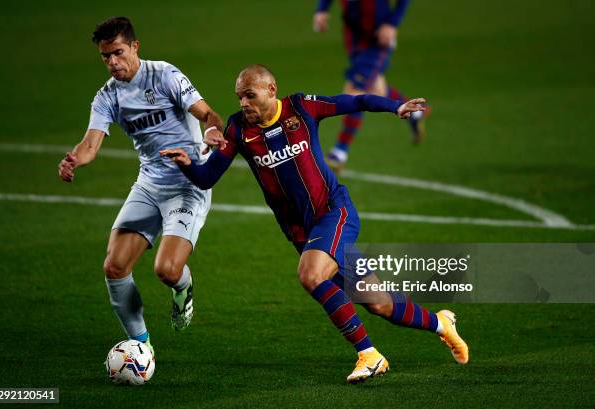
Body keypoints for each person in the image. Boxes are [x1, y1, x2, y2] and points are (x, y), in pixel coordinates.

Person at [159, 65, 468, 383]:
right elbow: (207, 177)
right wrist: (186, 164)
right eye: (239, 97)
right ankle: (442, 324)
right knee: (380, 304)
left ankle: (369, 355)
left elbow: (356, 101)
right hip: (301, 232)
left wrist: (395, 106)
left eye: (249, 96)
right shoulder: (238, 130)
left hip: (334, 213)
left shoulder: (300, 108)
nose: (243, 104)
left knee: (310, 275)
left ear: (271, 89)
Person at [57, 17, 225, 353]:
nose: (112, 63)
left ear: (135, 46)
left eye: (117, 53)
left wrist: (210, 132)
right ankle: (140, 346)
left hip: (187, 183)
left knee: (166, 269)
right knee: (115, 266)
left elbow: (209, 113)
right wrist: (74, 159)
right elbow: (90, 144)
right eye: (105, 57)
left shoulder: (164, 75)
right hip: (149, 185)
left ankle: (183, 287)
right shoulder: (107, 97)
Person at [312, 0, 429, 171]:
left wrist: (392, 23)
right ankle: (414, 113)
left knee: (356, 88)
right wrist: (322, 9)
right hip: (354, 36)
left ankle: (340, 151)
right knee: (376, 89)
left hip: (379, 36)